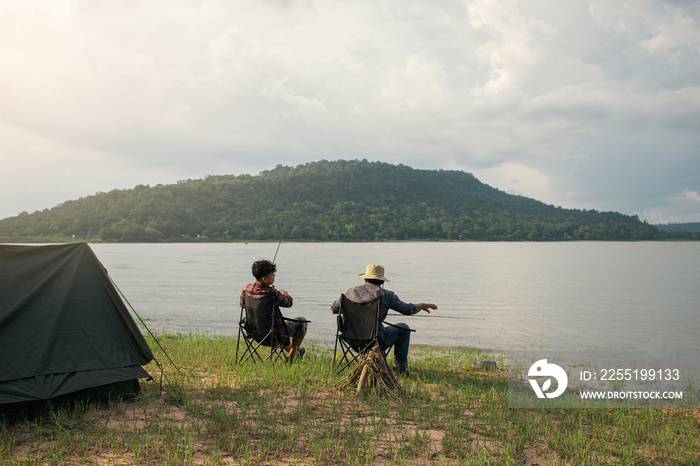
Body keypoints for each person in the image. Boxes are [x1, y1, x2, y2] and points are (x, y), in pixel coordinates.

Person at [331, 264, 437, 375]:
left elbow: (334, 309)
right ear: (382, 282)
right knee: (404, 328)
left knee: (394, 329)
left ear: (365, 279)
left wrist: (355, 310)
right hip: (375, 340)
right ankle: (401, 368)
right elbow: (407, 310)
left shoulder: (349, 293)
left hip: (351, 339)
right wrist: (422, 305)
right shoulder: (386, 295)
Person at [240, 259, 307, 360]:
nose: (274, 276)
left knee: (274, 325)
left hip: (254, 332)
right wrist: (284, 293)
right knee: (302, 322)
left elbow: (242, 305)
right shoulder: (272, 293)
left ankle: (296, 353)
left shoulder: (246, 289)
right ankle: (293, 357)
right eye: (272, 274)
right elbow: (288, 303)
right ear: (264, 279)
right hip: (274, 334)